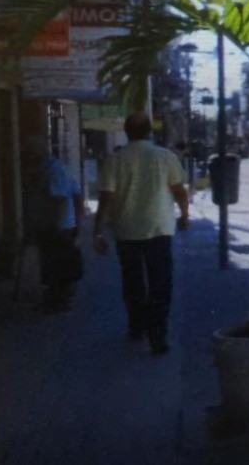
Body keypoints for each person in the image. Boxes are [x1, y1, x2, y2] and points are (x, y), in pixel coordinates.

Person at [91, 113, 190, 355]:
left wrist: (97, 230)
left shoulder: (115, 159)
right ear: (149, 131)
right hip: (159, 228)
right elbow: (179, 190)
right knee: (160, 283)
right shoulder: (165, 156)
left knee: (132, 281)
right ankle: (158, 335)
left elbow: (107, 198)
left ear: (126, 132)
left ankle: (137, 326)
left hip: (126, 230)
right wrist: (184, 215)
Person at [26, 139, 83, 313]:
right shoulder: (54, 168)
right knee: (55, 261)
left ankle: (58, 297)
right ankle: (58, 295)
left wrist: (56, 224)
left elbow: (60, 199)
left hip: (55, 225)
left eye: (29, 153)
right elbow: (75, 194)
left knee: (55, 262)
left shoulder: (52, 170)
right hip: (57, 224)